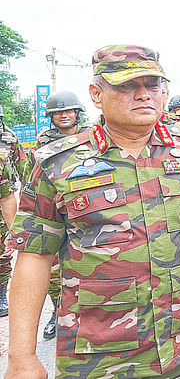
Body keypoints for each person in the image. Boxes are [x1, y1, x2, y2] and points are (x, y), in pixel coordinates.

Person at [8, 44, 180, 379]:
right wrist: (21, 355)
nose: (144, 95)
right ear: (96, 94)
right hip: (100, 355)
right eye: (127, 86)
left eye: (153, 85)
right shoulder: (58, 164)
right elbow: (34, 257)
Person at [21, 90, 90, 341]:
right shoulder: (41, 144)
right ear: (51, 116)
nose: (64, 115)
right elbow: (33, 180)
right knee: (51, 269)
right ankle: (56, 315)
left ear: (77, 113)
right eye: (58, 112)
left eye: (69, 111)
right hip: (53, 208)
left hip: (87, 208)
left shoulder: (93, 136)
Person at [0, 107, 25, 318]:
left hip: (3, 201)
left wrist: (14, 230)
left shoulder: (9, 138)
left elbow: (23, 165)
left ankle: (1, 295)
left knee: (2, 253)